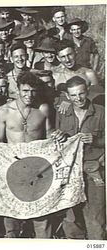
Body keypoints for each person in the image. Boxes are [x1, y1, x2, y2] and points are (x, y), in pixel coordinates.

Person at [0, 71, 66, 238]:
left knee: (40, 209)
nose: (29, 95)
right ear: (17, 89)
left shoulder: (43, 109)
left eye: (33, 91)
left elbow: (50, 135)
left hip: (37, 166)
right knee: (12, 210)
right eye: (25, 91)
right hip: (12, 165)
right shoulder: (4, 111)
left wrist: (60, 135)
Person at [55, 76, 105, 240]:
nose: (78, 99)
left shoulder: (101, 112)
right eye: (74, 95)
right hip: (69, 172)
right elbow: (57, 138)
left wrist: (96, 140)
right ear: (68, 96)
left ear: (87, 92)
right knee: (71, 218)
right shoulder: (63, 112)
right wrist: (59, 136)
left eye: (81, 94)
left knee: (96, 218)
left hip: (93, 170)